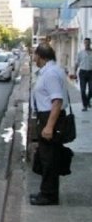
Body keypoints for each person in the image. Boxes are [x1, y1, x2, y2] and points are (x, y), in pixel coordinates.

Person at [30, 43, 69, 206]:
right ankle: (46, 191)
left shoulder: (51, 73)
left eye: (35, 55)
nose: (33, 58)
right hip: (45, 116)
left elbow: (57, 101)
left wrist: (49, 126)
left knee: (49, 159)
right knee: (45, 157)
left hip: (50, 118)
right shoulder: (49, 71)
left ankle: (49, 195)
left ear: (41, 56)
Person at [74, 37, 92, 111]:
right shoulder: (80, 53)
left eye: (88, 43)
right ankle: (85, 105)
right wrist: (74, 73)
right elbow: (77, 63)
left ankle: (87, 101)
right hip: (83, 73)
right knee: (83, 90)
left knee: (91, 89)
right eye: (85, 43)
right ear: (84, 43)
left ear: (90, 43)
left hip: (91, 73)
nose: (86, 44)